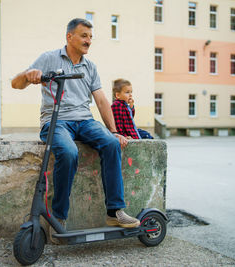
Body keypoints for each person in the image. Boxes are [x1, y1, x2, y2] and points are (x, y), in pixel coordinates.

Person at [11, 18, 140, 244]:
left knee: (110, 144)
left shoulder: (90, 67)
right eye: (83, 36)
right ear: (69, 37)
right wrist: (27, 76)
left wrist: (114, 130)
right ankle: (59, 217)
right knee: (69, 153)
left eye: (90, 37)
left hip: (84, 120)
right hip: (56, 120)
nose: (88, 41)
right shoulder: (49, 58)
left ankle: (115, 212)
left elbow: (100, 99)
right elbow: (16, 84)